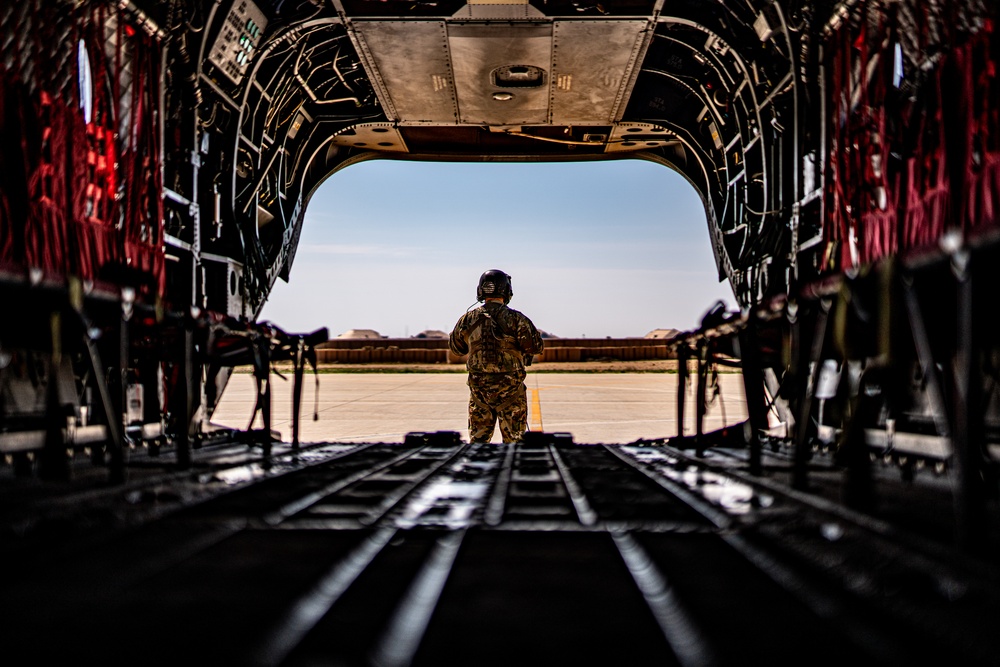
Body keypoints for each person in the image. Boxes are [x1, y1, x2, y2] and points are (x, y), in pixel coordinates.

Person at [450, 269, 544, 443]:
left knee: (478, 445)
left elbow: (457, 348)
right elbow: (535, 346)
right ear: (506, 290)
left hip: (480, 393)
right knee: (514, 445)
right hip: (511, 392)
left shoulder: (468, 319)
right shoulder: (517, 319)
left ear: (481, 290)